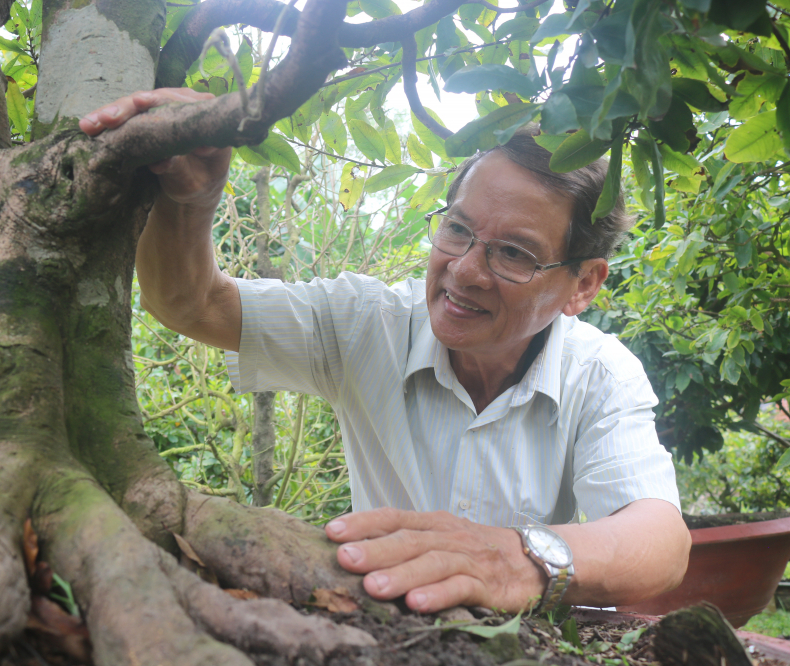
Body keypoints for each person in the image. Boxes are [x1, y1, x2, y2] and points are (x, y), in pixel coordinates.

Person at [81, 89, 691, 615]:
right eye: (457, 229)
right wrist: (190, 200)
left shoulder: (600, 374)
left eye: (515, 254)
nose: (466, 271)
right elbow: (193, 303)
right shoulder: (367, 325)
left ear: (583, 284)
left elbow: (661, 542)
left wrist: (517, 558)